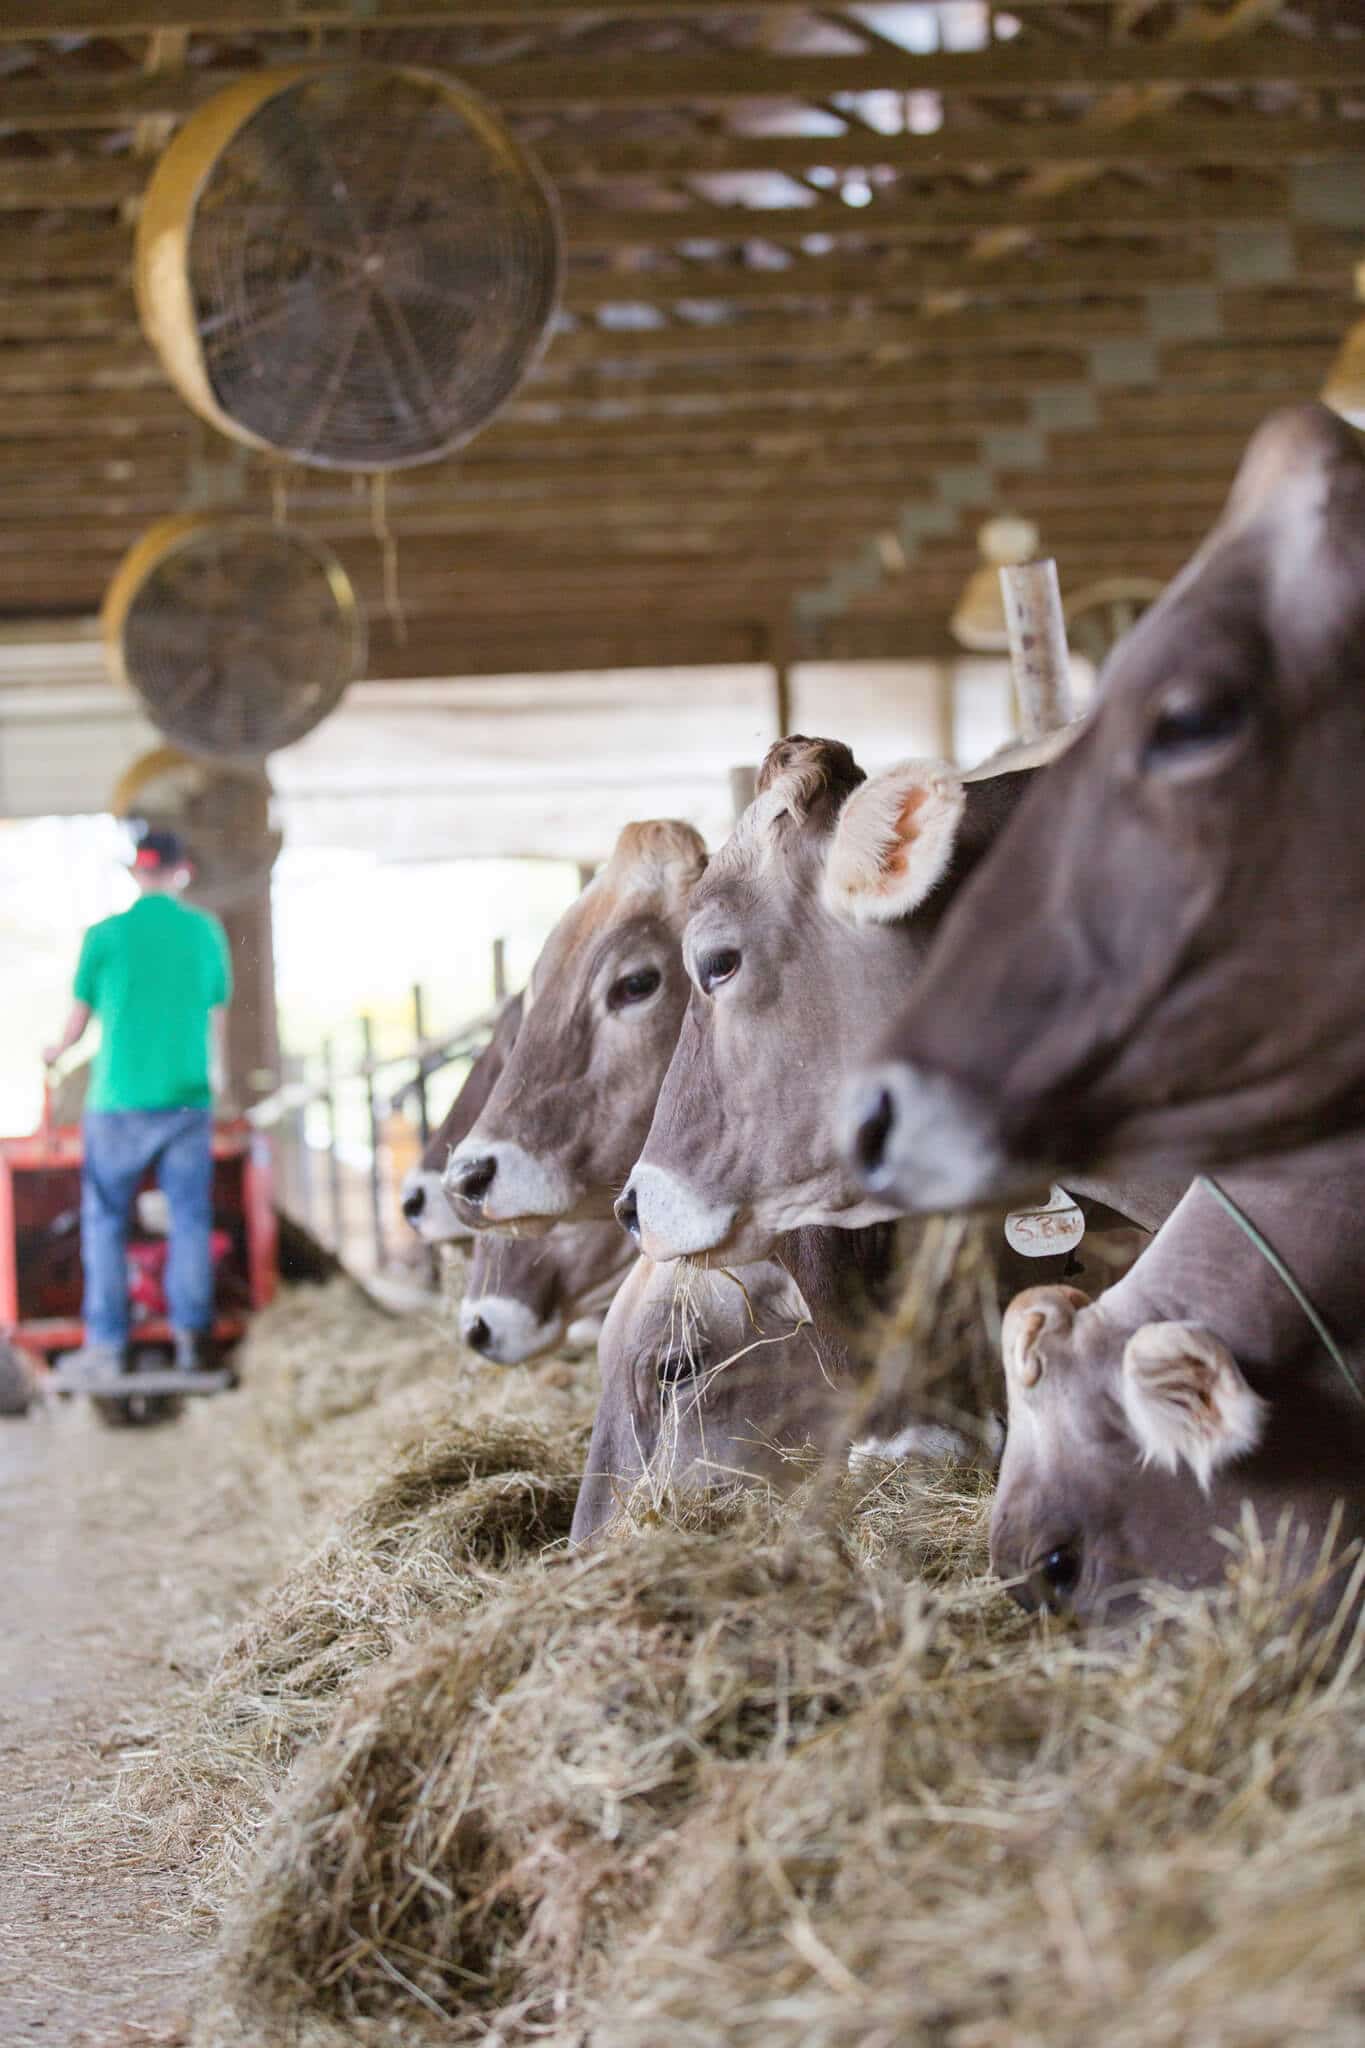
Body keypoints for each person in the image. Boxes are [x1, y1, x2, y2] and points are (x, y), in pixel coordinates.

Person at [43, 828, 233, 1378]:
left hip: (118, 1100)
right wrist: (219, 1079)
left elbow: (76, 1027)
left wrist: (54, 1051)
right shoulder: (204, 931)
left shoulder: (103, 935)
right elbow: (217, 1017)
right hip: (185, 1099)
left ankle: (107, 1344)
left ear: (135, 873)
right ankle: (192, 1340)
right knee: (189, 1218)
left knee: (105, 1220)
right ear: (183, 871)